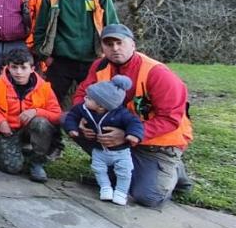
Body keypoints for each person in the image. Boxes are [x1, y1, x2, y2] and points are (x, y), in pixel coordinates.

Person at [72, 24, 193, 209]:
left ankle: (173, 169)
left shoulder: (158, 74)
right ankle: (117, 170)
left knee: (148, 197)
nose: (115, 48)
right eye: (108, 43)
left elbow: (170, 119)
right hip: (120, 138)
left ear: (133, 45)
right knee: (69, 122)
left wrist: (128, 135)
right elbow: (82, 94)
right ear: (102, 47)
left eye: (119, 42)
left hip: (157, 144)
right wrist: (83, 116)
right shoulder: (100, 66)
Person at [34, 0, 120, 107]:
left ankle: (92, 131)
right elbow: (40, 30)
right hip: (60, 62)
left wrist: (109, 56)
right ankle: (52, 131)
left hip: (93, 61)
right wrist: (45, 57)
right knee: (49, 105)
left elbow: (113, 27)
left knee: (98, 104)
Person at [63, 75, 144, 206]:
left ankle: (121, 192)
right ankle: (105, 187)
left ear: (101, 106)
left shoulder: (121, 114)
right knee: (98, 169)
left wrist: (133, 134)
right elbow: (72, 116)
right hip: (99, 149)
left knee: (124, 171)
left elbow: (134, 123)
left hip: (120, 152)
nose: (85, 99)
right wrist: (72, 128)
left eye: (89, 98)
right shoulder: (83, 109)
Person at [0, 47, 61, 182]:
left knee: (41, 123)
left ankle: (37, 162)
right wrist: (2, 122)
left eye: (23, 68)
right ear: (7, 67)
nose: (18, 72)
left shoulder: (44, 87)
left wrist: (36, 111)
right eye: (14, 67)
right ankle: (18, 149)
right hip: (10, 130)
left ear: (32, 69)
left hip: (32, 128)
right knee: (12, 168)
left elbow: (57, 115)